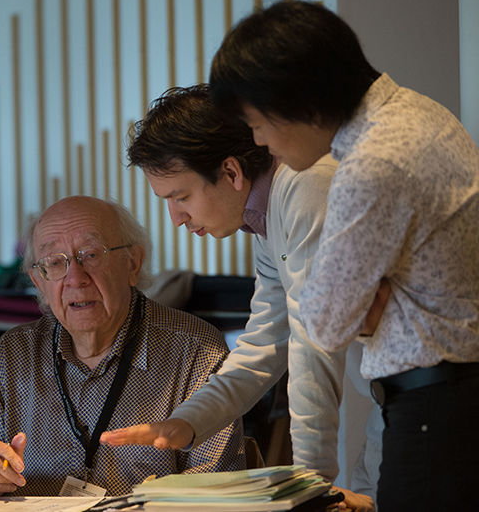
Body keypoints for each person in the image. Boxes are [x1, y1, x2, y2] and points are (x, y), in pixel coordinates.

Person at [208, 0, 479, 510]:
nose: (259, 140)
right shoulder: (417, 114)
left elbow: (326, 322)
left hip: (435, 406)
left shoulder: (374, 163)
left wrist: (364, 303)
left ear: (299, 101)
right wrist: (370, 300)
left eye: (258, 122)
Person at [100, 85, 375, 511]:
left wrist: (309, 485)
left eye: (181, 197)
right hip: (394, 402)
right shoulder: (264, 219)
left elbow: (312, 342)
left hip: (438, 388)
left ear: (230, 173)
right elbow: (266, 341)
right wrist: (187, 422)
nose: (176, 219)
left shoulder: (305, 189)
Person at [0, 195, 245, 497]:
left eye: (90, 254)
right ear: (39, 281)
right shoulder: (12, 356)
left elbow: (214, 488)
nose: (76, 278)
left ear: (132, 263)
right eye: (54, 263)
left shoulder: (195, 351)